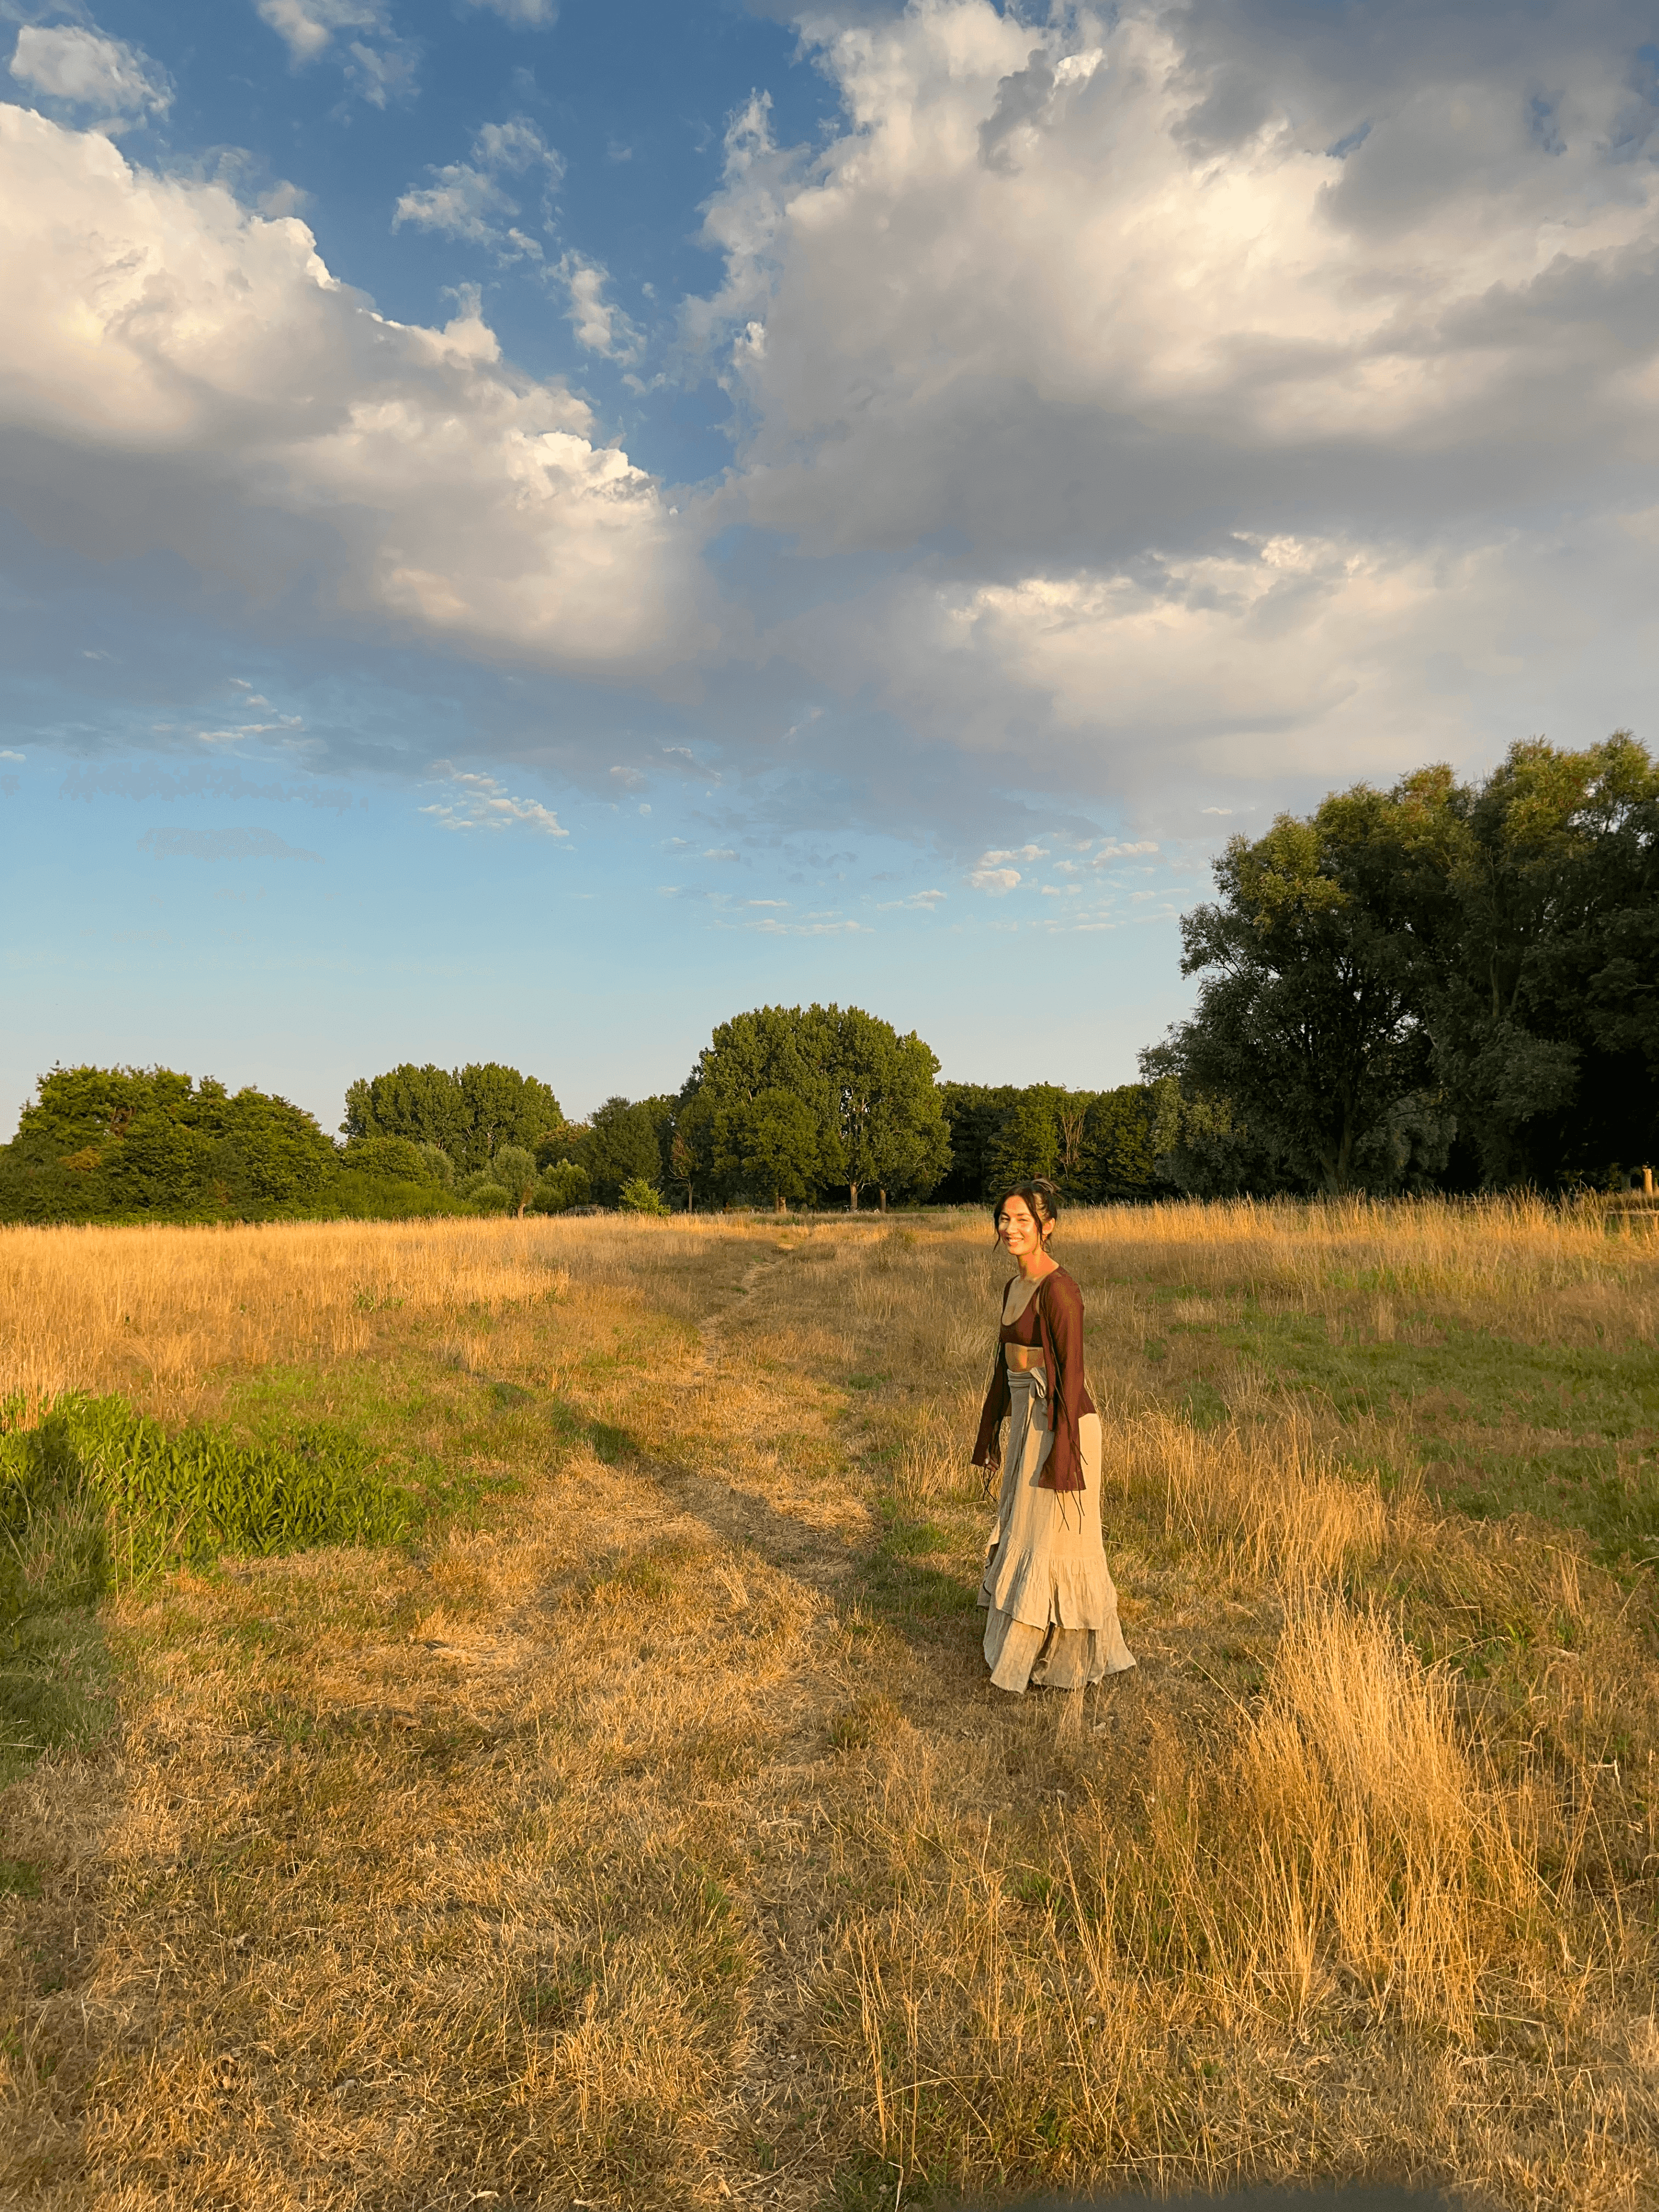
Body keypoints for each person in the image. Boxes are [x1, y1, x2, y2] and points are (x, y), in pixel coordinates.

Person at [972, 1178, 1136, 1696]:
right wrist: (991, 1429)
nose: (1011, 1228)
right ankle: (1027, 1642)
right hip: (1027, 1417)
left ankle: (1060, 1657)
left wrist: (1063, 1456)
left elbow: (1073, 1375)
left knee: (1054, 1539)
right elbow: (1004, 1369)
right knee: (1026, 1529)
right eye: (1005, 1219)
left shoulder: (1060, 1290)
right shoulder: (1012, 1286)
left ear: (1047, 1228)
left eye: (1023, 1220)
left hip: (1061, 1423)